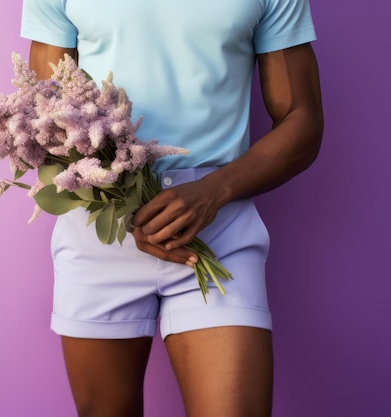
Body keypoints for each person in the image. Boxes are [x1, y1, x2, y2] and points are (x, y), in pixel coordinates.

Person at [21, 1, 323, 416]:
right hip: (102, 226)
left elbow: (301, 118)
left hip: (217, 231)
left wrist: (214, 191)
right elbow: (42, 120)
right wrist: (130, 202)